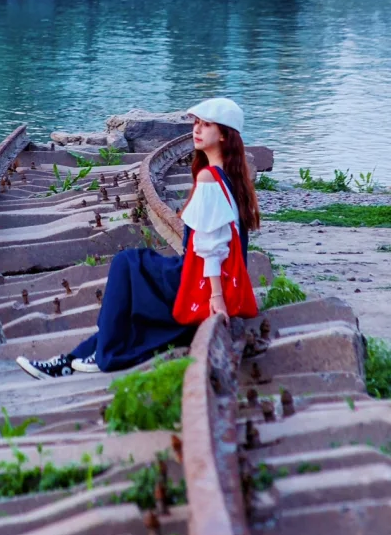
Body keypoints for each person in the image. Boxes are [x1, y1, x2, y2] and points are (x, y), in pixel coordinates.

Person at [16, 97, 261, 378]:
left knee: (126, 263)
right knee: (129, 299)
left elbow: (212, 246)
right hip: (200, 275)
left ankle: (103, 356)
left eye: (206, 125)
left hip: (197, 279)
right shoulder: (229, 179)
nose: (196, 129)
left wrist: (216, 298)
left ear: (223, 135)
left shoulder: (209, 178)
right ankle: (65, 363)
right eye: (196, 123)